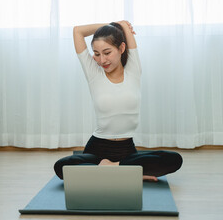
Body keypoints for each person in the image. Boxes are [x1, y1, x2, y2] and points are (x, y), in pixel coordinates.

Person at [54, 21, 183, 181]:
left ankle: (113, 168)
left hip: (126, 150)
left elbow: (126, 34)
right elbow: (77, 31)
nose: (102, 60)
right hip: (97, 150)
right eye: (97, 54)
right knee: (61, 167)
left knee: (174, 159)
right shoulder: (94, 74)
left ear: (121, 48)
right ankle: (127, 171)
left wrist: (121, 26)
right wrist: (111, 24)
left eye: (107, 52)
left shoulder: (133, 70)